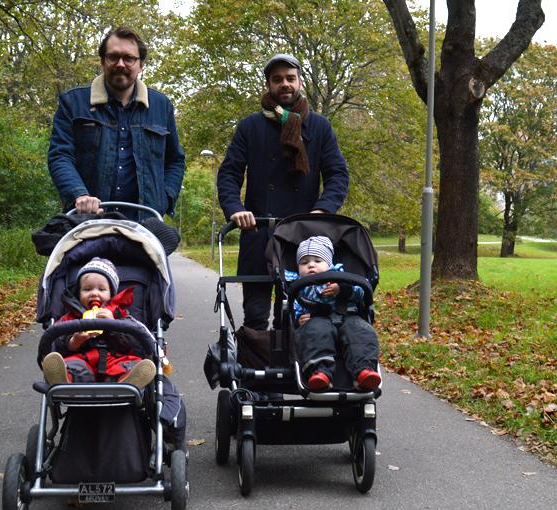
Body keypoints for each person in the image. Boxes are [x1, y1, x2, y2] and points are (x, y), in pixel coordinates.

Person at [217, 53, 349, 330]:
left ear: (300, 82)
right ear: (268, 85)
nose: (285, 84)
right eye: (277, 80)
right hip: (258, 231)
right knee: (255, 315)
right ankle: (253, 368)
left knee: (295, 313)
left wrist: (323, 210)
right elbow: (229, 173)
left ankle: (296, 370)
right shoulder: (250, 126)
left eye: (290, 78)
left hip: (303, 236)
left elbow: (337, 174)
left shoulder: (320, 127)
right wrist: (236, 209)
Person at [48, 26, 185, 217]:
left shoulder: (161, 106)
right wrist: (79, 194)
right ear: (103, 61)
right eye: (113, 57)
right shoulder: (73, 102)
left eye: (129, 58)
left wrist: (164, 198)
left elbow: (175, 161)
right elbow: (60, 155)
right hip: (87, 221)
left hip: (145, 223)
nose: (120, 64)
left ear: (141, 64)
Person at [41, 257, 156, 389]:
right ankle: (64, 379)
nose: (94, 293)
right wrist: (73, 342)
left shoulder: (121, 315)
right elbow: (57, 342)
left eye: (101, 290)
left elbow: (134, 344)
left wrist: (114, 325)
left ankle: (128, 380)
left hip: (114, 359)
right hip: (82, 360)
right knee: (73, 366)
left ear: (112, 294)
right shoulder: (70, 317)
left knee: (128, 364)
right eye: (87, 289)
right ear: (78, 293)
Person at [284, 236, 381, 392]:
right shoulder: (298, 286)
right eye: (304, 262)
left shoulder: (342, 277)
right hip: (316, 320)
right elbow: (294, 305)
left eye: (317, 261)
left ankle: (364, 371)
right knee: (315, 333)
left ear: (329, 264)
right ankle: (320, 372)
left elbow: (362, 292)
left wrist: (342, 289)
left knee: (361, 332)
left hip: (349, 317)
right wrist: (298, 317)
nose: (311, 265)